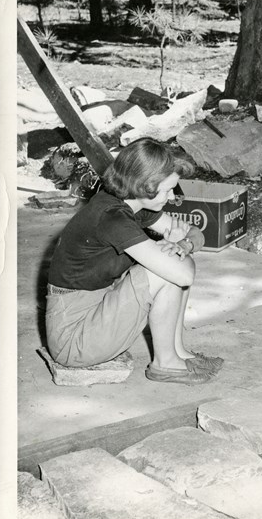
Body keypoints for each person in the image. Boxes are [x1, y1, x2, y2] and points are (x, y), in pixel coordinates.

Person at [44, 137, 222, 384]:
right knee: (163, 271)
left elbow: (196, 234)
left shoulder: (134, 205)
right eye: (168, 189)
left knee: (168, 262)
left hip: (94, 311)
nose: (171, 198)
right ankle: (165, 363)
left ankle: (178, 352)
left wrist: (183, 245)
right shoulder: (112, 218)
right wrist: (177, 250)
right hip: (73, 339)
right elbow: (184, 274)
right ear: (146, 186)